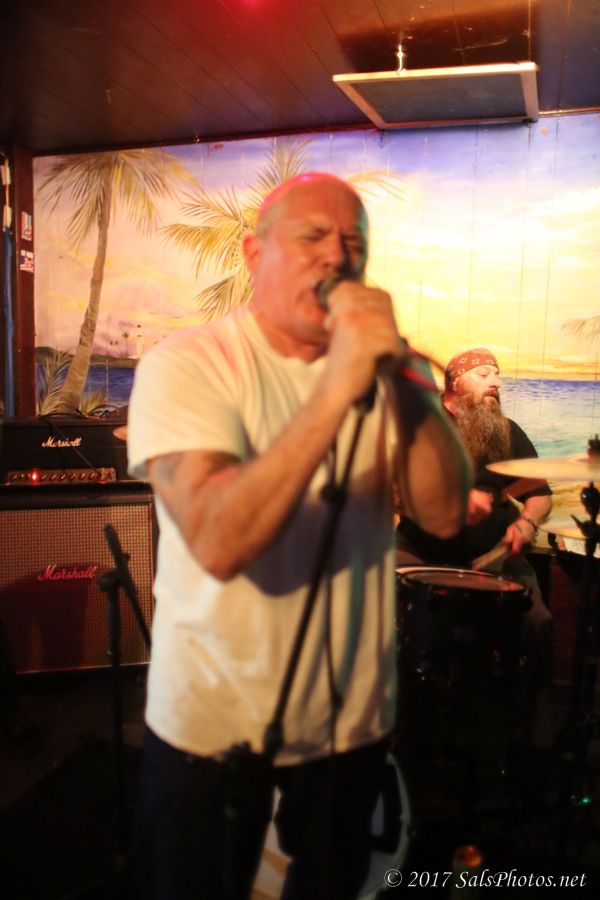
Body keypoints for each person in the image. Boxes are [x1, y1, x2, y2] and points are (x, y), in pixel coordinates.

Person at [127, 172, 471, 900]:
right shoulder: (188, 363)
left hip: (349, 728)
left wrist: (405, 378)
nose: (337, 257)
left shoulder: (386, 375)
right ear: (254, 254)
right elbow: (217, 541)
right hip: (210, 729)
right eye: (313, 236)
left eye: (354, 244)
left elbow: (443, 516)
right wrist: (337, 388)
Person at [396, 348, 553, 764]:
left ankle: (529, 740)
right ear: (453, 385)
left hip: (490, 556)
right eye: (483, 374)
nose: (495, 382)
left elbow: (538, 495)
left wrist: (527, 523)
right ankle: (392, 725)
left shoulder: (504, 430)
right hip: (420, 550)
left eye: (497, 374)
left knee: (537, 623)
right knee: (376, 603)